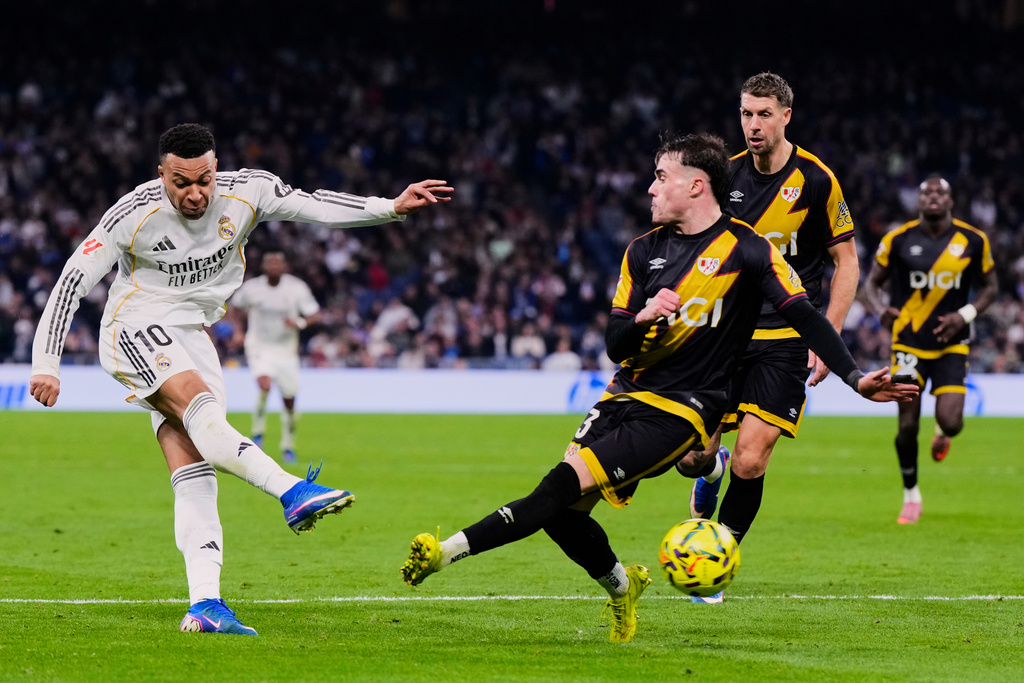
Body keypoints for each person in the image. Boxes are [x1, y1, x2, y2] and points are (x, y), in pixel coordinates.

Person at [399, 133, 916, 644]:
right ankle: (624, 589)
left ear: (696, 186)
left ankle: (445, 552)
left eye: (661, 178)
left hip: (682, 410)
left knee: (556, 487)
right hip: (623, 393)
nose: (650, 188)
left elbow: (804, 313)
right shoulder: (642, 252)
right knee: (561, 517)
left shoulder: (749, 251)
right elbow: (615, 344)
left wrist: (853, 377)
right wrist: (644, 316)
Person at [30, 123, 452, 635]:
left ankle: (205, 605)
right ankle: (291, 489)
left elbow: (313, 206)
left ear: (216, 167)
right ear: (160, 174)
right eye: (181, 182)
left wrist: (388, 206)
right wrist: (46, 364)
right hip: (135, 324)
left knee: (196, 463)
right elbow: (73, 281)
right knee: (200, 409)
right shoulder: (132, 213)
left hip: (194, 331)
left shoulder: (247, 190)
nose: (195, 193)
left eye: (204, 179)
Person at [677, 72, 860, 603]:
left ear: (785, 116)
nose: (752, 125)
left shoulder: (818, 180)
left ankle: (717, 561)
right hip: (724, 336)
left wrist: (829, 335)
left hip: (785, 336)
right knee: (691, 456)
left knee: (754, 457)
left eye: (763, 115)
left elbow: (846, 263)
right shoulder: (724, 177)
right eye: (745, 114)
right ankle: (710, 469)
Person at [863, 177, 997, 524]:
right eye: (926, 193)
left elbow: (990, 288)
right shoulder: (898, 238)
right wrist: (881, 311)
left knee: (952, 422)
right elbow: (871, 284)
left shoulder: (972, 240)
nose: (933, 197)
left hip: (952, 343)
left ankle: (943, 434)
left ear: (950, 200)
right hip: (908, 343)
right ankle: (911, 495)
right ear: (918, 201)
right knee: (907, 426)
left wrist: (964, 315)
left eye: (940, 192)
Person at [230, 251, 320, 464]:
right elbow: (235, 306)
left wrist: (300, 323)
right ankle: (258, 432)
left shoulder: (296, 288)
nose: (274, 266)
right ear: (264, 266)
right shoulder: (252, 288)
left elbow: (314, 314)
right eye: (270, 262)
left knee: (289, 401)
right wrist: (238, 331)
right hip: (259, 346)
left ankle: (288, 445)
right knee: (264, 385)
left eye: (278, 263)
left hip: (286, 351)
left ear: (284, 266)